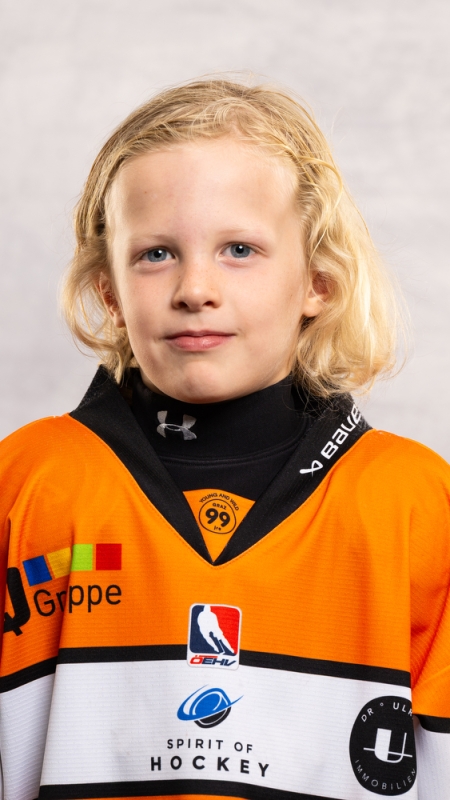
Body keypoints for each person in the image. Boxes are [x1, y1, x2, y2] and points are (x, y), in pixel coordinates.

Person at [0, 77, 448, 800]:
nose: (195, 289)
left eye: (239, 248)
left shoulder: (416, 506)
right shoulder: (26, 483)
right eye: (155, 254)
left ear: (319, 282)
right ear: (109, 291)